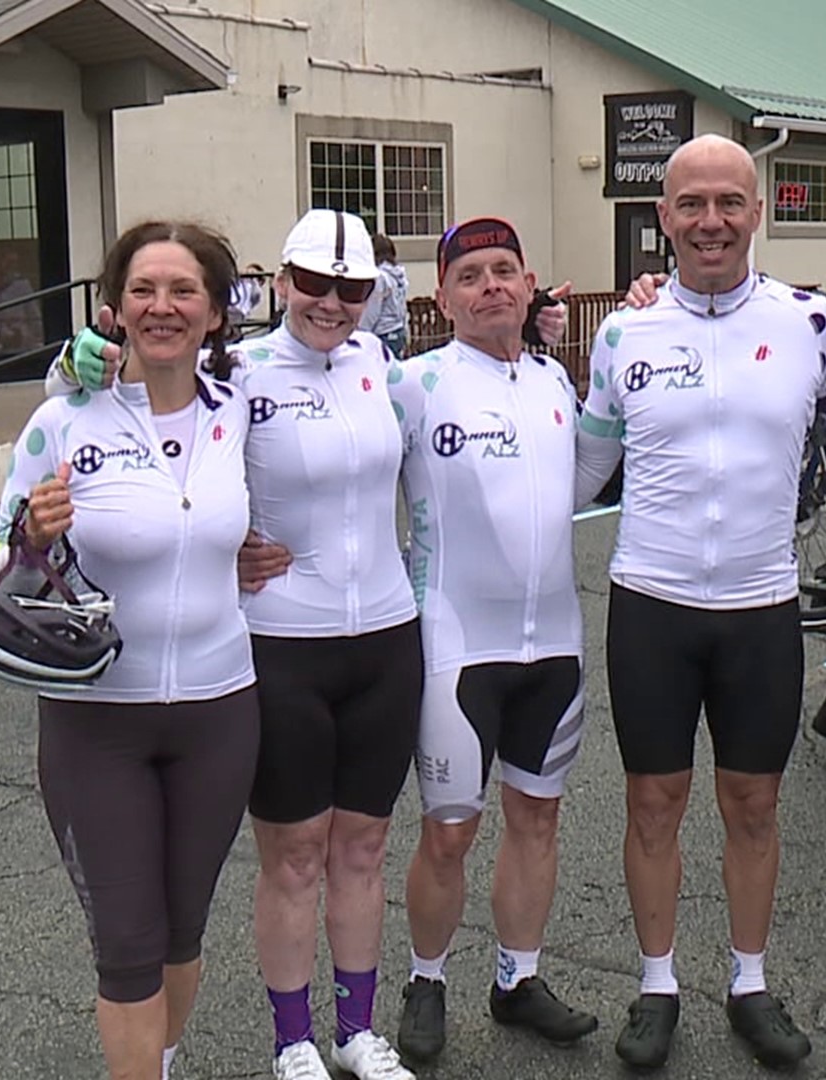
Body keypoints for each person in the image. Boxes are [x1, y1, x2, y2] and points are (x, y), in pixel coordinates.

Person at [56, 209, 422, 1080]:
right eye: (314, 284)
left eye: (351, 288)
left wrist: (549, 326)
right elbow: (131, 383)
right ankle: (292, 1041)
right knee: (295, 853)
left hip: (386, 636)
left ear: (374, 296)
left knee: (365, 846)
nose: (331, 303)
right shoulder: (240, 371)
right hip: (283, 643)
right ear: (281, 284)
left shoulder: (387, 367)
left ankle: (356, 1031)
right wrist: (71, 358)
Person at [239, 218, 591, 1065]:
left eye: (506, 271)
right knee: (446, 831)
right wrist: (231, 541)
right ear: (441, 297)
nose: (491, 287)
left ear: (531, 283)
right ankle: (424, 982)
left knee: (535, 820)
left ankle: (518, 976)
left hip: (553, 645)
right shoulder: (406, 382)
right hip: (448, 641)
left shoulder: (552, 381)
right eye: (470, 276)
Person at [572, 133, 826, 1072]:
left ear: (759, 212)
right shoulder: (624, 333)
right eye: (691, 205)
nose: (710, 222)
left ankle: (749, 981)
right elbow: (580, 471)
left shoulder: (811, 325)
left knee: (754, 803)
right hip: (652, 603)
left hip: (760, 608)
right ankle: (657, 984)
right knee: (653, 802)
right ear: (663, 218)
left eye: (729, 203)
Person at [0, 220, 260, 1080]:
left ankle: (161, 1062)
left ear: (215, 312)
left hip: (220, 712)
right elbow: (3, 571)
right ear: (113, 309)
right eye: (143, 290)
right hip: (96, 723)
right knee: (128, 945)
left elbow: (330, 359)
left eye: (184, 291)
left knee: (184, 930)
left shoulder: (240, 410)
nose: (163, 307)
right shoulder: (64, 418)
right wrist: (33, 536)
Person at [369, 234, 410, 358]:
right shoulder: (399, 276)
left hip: (382, 333)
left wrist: (361, 332)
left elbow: (372, 310)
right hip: (398, 330)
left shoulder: (380, 278)